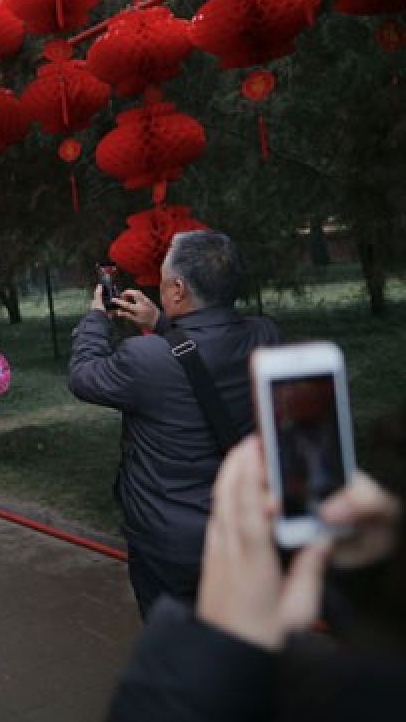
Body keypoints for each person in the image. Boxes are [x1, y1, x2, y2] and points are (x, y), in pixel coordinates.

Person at [107, 432, 405, 722]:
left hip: (169, 528)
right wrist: (376, 568)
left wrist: (207, 671)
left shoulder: (338, 692)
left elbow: (90, 382)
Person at [69, 231, 280, 618]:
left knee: (178, 647)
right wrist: (162, 322)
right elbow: (203, 352)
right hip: (244, 529)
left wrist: (96, 318)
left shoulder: (145, 358)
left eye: (165, 278)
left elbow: (83, 375)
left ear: (178, 289)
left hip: (171, 543)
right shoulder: (264, 336)